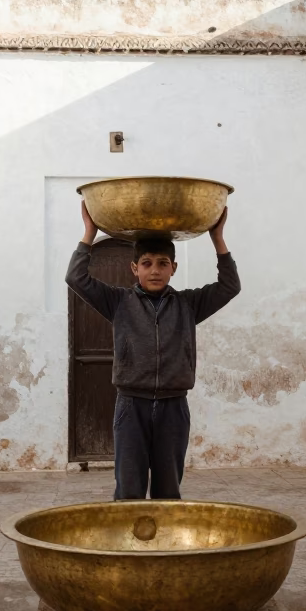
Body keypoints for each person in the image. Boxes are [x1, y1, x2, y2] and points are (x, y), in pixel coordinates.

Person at [66, 201, 240, 500]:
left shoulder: (188, 305)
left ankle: (164, 546)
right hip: (131, 405)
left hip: (174, 407)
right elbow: (76, 279)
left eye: (162, 263)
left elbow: (229, 286)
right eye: (146, 263)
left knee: (168, 490)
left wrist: (217, 239)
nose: (155, 270)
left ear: (174, 267)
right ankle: (129, 545)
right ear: (135, 268)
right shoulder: (118, 302)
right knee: (129, 488)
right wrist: (89, 233)